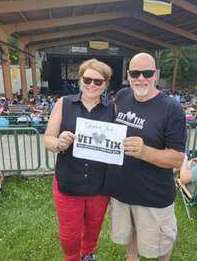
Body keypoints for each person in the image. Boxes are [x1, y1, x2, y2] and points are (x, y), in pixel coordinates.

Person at [103, 53, 187, 261]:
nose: (141, 78)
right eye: (135, 73)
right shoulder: (122, 96)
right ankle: (132, 259)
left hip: (153, 195)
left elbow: (177, 159)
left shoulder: (171, 108)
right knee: (127, 234)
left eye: (147, 73)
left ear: (156, 75)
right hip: (121, 189)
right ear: (128, 75)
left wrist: (144, 152)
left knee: (160, 242)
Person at [44, 59, 115, 261]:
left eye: (98, 81)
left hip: (99, 186)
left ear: (106, 84)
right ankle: (71, 258)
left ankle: (87, 254)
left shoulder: (113, 109)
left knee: (93, 227)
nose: (92, 84)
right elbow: (48, 139)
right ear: (80, 80)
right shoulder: (63, 103)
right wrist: (59, 143)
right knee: (69, 234)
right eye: (87, 79)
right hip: (68, 182)